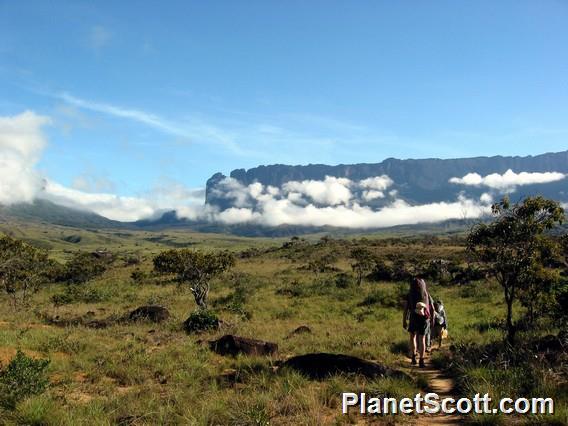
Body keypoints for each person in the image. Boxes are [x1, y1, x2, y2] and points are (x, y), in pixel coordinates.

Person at [403, 278, 433, 368]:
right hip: (424, 318)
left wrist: (404, 321)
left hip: (413, 318)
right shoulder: (426, 294)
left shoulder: (409, 295)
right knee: (422, 338)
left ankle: (413, 357)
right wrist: (431, 319)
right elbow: (432, 308)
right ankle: (421, 360)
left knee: (413, 337)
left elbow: (405, 310)